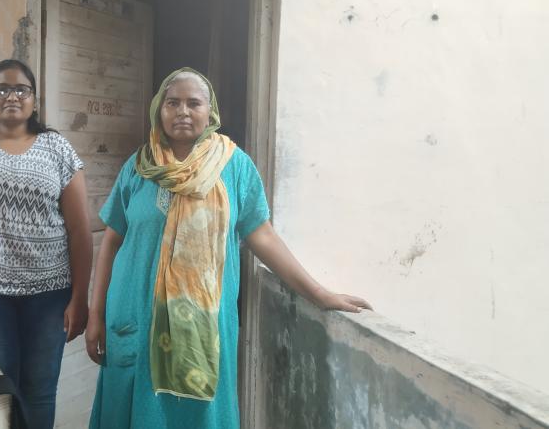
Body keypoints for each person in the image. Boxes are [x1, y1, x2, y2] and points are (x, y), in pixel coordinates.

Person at [85, 68, 372, 428]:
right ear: (159, 109)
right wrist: (95, 315)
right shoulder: (139, 167)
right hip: (135, 318)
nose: (183, 112)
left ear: (210, 112)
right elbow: (112, 240)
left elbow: (263, 236)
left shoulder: (234, 167)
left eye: (194, 103)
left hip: (203, 330)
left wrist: (319, 293)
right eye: (172, 103)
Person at [0, 59, 92, 429]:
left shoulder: (57, 148)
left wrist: (79, 298)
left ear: (34, 101)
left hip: (51, 295)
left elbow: (79, 230)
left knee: (39, 392)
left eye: (21, 89)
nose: (11, 96)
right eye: (1, 89)